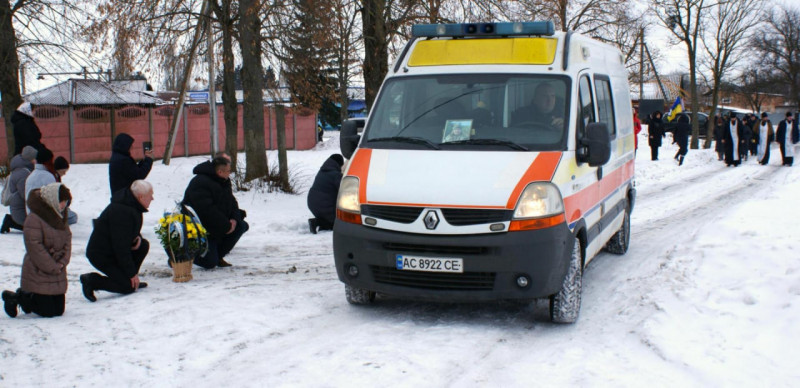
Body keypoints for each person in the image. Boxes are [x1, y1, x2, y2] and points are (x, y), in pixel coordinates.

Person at [2, 183, 72, 318]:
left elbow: (67, 240)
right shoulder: (34, 219)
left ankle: (31, 298)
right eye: (62, 201)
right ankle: (18, 297)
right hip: (38, 270)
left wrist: (63, 261)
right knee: (48, 312)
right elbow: (35, 247)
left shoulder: (61, 216)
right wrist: (52, 266)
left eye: (65, 202)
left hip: (57, 269)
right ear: (53, 200)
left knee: (58, 310)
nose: (64, 205)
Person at [80, 180, 152, 302]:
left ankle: (130, 280)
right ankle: (92, 281)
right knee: (126, 287)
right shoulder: (123, 212)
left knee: (143, 245)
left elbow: (128, 233)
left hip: (113, 250)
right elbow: (120, 246)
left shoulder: (132, 205)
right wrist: (131, 273)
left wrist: (137, 238)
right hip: (101, 254)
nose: (152, 198)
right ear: (140, 197)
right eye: (150, 196)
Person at [182, 155, 248, 268]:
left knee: (241, 225)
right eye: (228, 171)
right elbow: (207, 211)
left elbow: (232, 202)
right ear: (220, 171)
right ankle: (182, 258)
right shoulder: (200, 183)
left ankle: (218, 256)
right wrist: (226, 226)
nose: (230, 173)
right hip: (202, 228)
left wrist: (234, 219)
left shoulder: (224, 180)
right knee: (209, 263)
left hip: (219, 224)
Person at [2, 146, 37, 234]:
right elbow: (25, 194)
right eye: (35, 158)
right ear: (30, 159)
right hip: (20, 208)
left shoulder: (23, 169)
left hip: (19, 206)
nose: (36, 161)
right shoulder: (23, 173)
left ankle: (11, 220)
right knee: (34, 228)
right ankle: (10, 221)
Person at [307, 154, 344, 234]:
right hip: (324, 204)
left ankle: (321, 223)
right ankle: (316, 222)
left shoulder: (322, 171)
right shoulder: (336, 175)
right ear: (339, 164)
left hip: (312, 203)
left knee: (328, 219)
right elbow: (343, 190)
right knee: (336, 223)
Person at [52, 156, 78, 225]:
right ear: (58, 169)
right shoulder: (53, 178)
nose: (64, 173)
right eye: (63, 171)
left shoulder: (57, 177)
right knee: (73, 217)